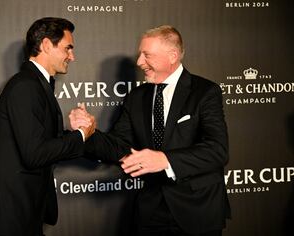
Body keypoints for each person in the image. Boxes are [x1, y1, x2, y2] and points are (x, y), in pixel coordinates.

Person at [70, 25, 230, 236]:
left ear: (172, 56)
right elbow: (119, 146)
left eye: (147, 55)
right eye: (140, 55)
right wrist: (88, 132)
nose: (139, 62)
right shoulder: (137, 97)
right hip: (151, 210)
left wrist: (165, 160)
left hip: (197, 209)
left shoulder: (205, 92)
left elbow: (217, 150)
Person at [0, 17, 95, 236]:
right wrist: (80, 136)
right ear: (46, 45)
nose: (72, 56)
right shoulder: (26, 86)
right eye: (68, 48)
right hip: (7, 218)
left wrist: (76, 133)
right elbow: (35, 154)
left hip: (21, 212)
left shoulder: (36, 84)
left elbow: (38, 142)